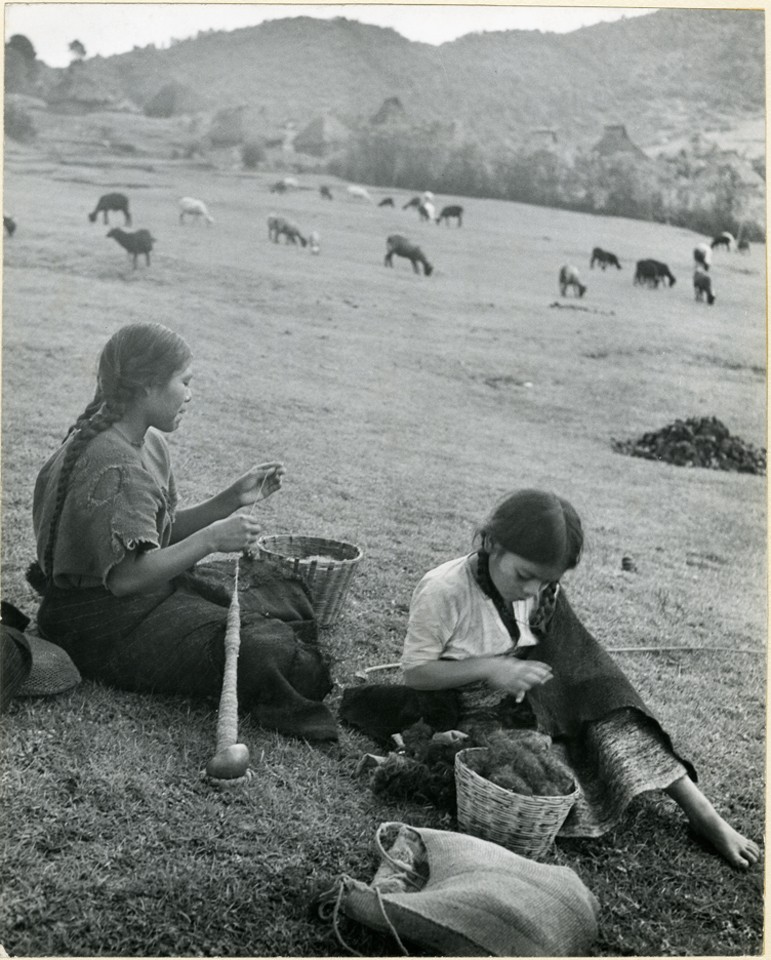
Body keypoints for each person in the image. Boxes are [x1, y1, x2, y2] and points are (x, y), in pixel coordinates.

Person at [400, 488, 760, 870]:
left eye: (545, 582)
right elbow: (415, 673)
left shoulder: (541, 591)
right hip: (471, 705)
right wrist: (491, 668)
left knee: (615, 717)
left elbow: (572, 661)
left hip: (533, 690)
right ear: (492, 543)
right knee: (535, 767)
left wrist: (550, 688)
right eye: (524, 576)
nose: (532, 591)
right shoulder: (444, 590)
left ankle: (703, 814)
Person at [29, 322, 337, 741]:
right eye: (185, 382)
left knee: (281, 597)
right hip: (97, 625)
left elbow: (157, 537)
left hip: (129, 601)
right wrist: (211, 540)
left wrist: (230, 499)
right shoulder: (112, 462)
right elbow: (125, 579)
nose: (190, 394)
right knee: (268, 653)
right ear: (148, 386)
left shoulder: (142, 443)